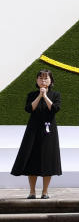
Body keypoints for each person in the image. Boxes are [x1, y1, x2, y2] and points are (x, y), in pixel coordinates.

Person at [11, 70, 62, 199]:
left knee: (47, 160)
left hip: (48, 130)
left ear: (51, 81)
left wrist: (45, 96)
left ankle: (45, 192)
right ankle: (32, 192)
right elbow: (29, 109)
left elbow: (55, 109)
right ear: (36, 80)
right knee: (31, 158)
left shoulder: (55, 95)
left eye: (46, 79)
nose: (43, 81)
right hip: (33, 130)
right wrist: (39, 96)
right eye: (40, 78)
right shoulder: (32, 94)